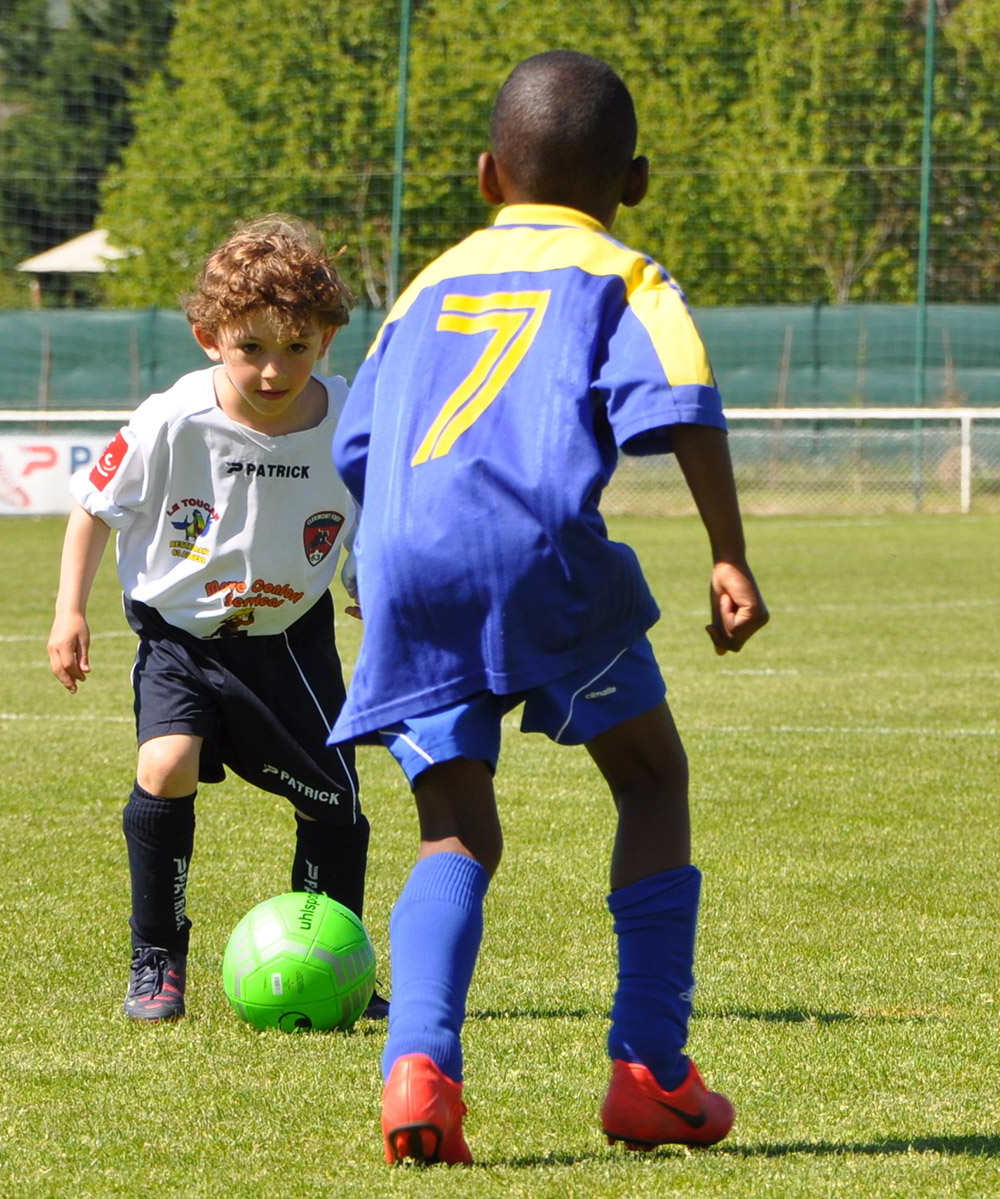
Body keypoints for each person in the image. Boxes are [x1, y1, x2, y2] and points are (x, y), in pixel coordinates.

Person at [328, 50, 768, 1163]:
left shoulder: (425, 287)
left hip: (403, 567)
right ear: (639, 180)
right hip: (539, 557)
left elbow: (359, 442)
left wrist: (370, 570)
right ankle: (650, 1072)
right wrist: (728, 552)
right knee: (652, 774)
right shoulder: (624, 276)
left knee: (455, 829)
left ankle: (418, 1074)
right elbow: (687, 404)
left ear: (487, 174)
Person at [48, 215, 386, 1023]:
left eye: (297, 348)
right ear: (210, 337)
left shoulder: (348, 417)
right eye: (253, 348)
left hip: (290, 641)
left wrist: (368, 578)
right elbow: (93, 507)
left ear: (327, 342)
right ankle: (156, 958)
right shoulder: (173, 418)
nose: (275, 370)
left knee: (334, 802)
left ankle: (330, 954)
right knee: (165, 765)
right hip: (183, 638)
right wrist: (69, 612)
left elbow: (376, 505)